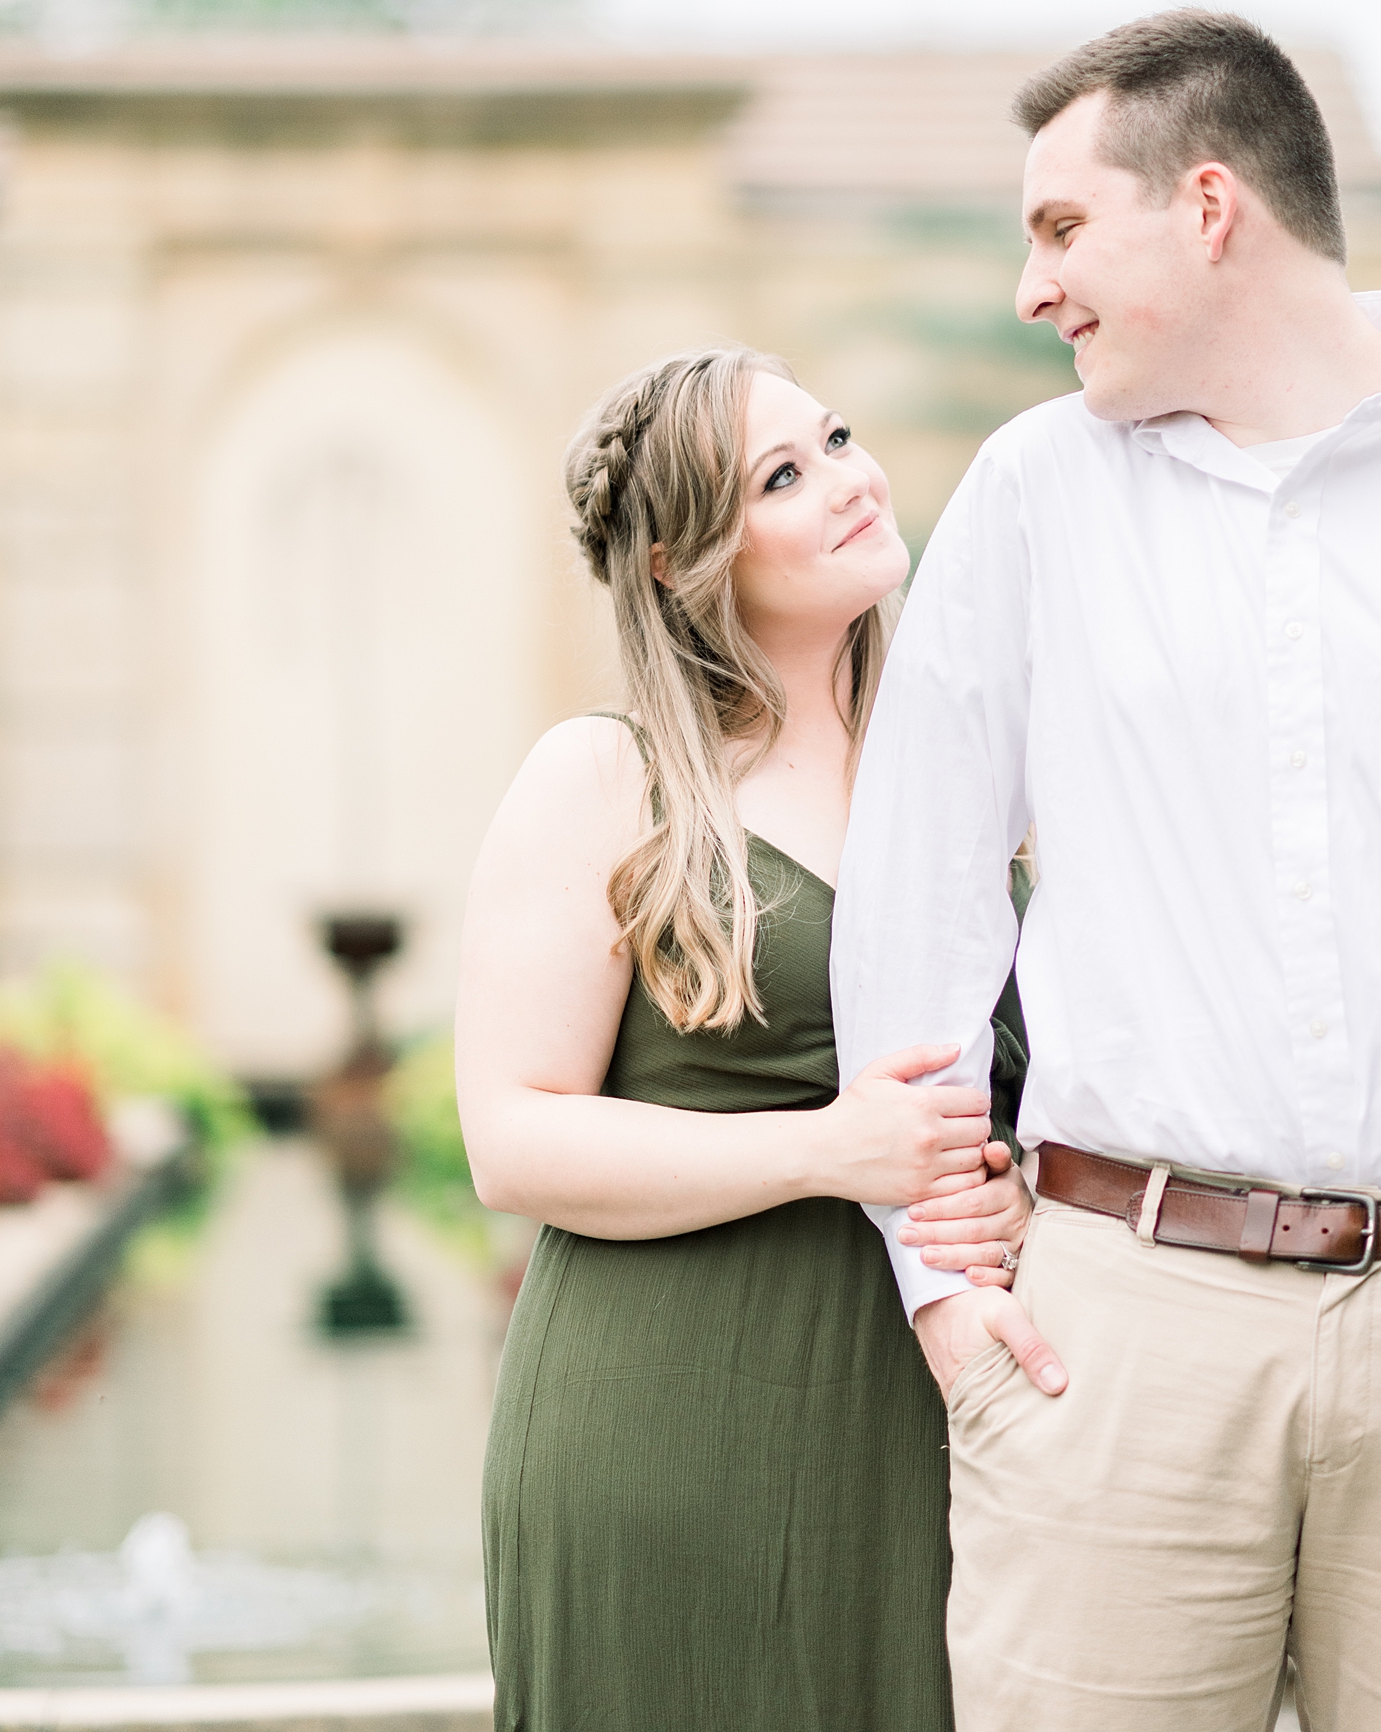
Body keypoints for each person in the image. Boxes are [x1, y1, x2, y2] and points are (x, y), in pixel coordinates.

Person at [830, 9, 1381, 1732]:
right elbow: (919, 911)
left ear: (1208, 206)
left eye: (1063, 229)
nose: (1031, 288)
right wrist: (941, 1301)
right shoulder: (1031, 498)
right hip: (1120, 1341)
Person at [455, 345, 1032, 1732]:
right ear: (680, 563)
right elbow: (510, 1138)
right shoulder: (609, 777)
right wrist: (828, 1151)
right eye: (783, 475)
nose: (847, 481)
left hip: (917, 1422)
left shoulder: (957, 770)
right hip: (665, 1423)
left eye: (833, 438)